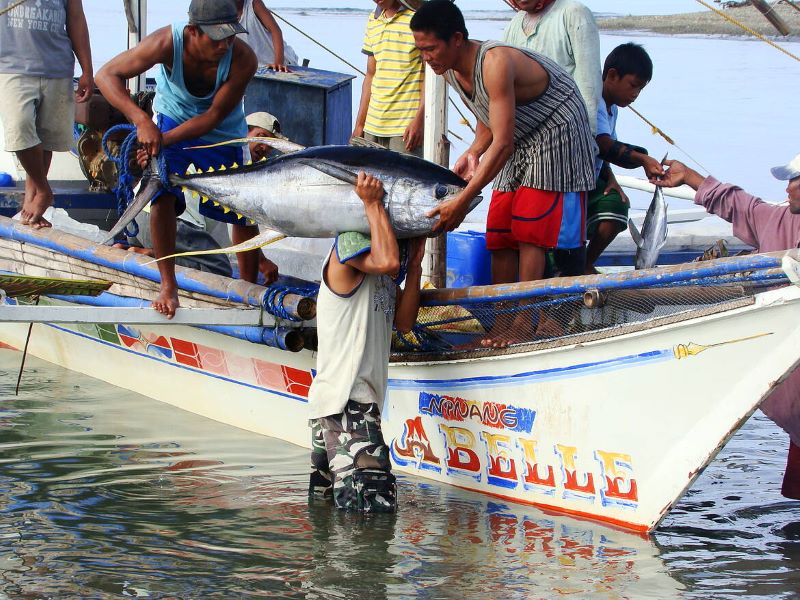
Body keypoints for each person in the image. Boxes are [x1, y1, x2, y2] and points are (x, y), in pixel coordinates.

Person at [96, 0, 265, 318]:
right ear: (192, 31)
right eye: (217, 38)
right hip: (171, 116)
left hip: (222, 131)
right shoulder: (165, 42)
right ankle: (168, 285)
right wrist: (142, 122)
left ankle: (249, 290)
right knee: (161, 192)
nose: (224, 46)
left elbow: (213, 116)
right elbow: (106, 75)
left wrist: (161, 140)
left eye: (230, 37)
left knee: (242, 210)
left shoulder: (244, 59)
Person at [410, 1, 595, 287]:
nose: (426, 58)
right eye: (420, 50)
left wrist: (463, 200)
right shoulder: (447, 69)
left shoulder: (494, 62)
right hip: (518, 133)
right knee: (500, 230)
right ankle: (501, 312)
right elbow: (489, 116)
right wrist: (474, 151)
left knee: (530, 228)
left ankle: (524, 310)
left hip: (557, 128)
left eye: (431, 49)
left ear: (456, 39)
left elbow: (503, 144)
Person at [655, 155, 800, 500]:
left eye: (794, 181)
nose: (787, 189)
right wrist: (689, 177)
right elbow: (738, 204)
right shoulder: (777, 220)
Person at [308, 172, 425, 513]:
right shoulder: (344, 261)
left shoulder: (382, 280)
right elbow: (388, 260)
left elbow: (404, 322)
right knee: (371, 514)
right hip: (350, 404)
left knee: (334, 510)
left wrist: (416, 267)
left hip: (339, 407)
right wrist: (373, 203)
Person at [0, 0, 93, 229]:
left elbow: (76, 18)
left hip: (57, 66)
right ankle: (43, 190)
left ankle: (32, 202)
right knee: (20, 127)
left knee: (46, 137)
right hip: (10, 65)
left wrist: (87, 69)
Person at [585, 43, 665, 274]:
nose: (635, 94)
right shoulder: (594, 102)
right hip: (573, 182)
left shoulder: (613, 109)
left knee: (618, 204)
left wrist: (611, 178)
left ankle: (586, 262)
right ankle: (573, 264)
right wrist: (643, 159)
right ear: (612, 76)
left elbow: (605, 152)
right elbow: (603, 145)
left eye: (640, 89)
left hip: (593, 178)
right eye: (633, 85)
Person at [502, 0, 601, 135]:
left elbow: (589, 82)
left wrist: (587, 134)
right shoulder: (515, 22)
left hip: (567, 131)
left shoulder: (575, 13)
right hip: (525, 133)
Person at [352, 0, 425, 157]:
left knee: (407, 173)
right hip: (372, 125)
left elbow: (430, 75)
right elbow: (370, 74)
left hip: (405, 126)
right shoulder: (373, 19)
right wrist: (360, 124)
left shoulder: (418, 16)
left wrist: (420, 119)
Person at [236, 0, 298, 72]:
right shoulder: (225, 13)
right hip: (256, 68)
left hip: (282, 63)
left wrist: (278, 63)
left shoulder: (254, 4)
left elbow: (275, 31)